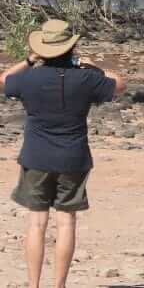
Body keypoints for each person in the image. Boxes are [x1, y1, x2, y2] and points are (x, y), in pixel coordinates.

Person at [0, 19, 126, 288]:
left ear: (43, 48)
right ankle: (59, 286)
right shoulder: (87, 79)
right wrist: (92, 65)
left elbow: (3, 80)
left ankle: (33, 285)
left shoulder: (28, 79)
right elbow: (119, 84)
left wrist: (29, 60)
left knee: (36, 223)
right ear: (72, 47)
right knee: (67, 222)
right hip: (73, 157)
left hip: (36, 157)